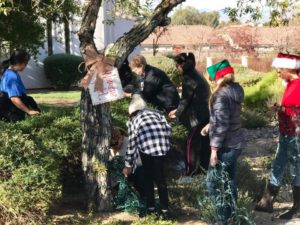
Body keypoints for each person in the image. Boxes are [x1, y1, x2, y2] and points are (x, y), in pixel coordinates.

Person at [255, 53, 300, 219]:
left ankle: (297, 207)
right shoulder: (290, 84)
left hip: (296, 136)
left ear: (289, 68)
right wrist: (281, 108)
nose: (277, 72)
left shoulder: (298, 84)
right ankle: (267, 201)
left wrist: (282, 110)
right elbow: (292, 107)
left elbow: (297, 111)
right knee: (278, 165)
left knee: (297, 169)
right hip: (286, 133)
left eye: (279, 68)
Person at [204, 60, 244, 225]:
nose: (211, 82)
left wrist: (214, 149)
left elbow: (222, 124)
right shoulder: (235, 89)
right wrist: (209, 125)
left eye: (212, 79)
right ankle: (232, 217)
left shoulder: (220, 95)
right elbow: (226, 117)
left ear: (218, 78)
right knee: (230, 182)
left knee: (213, 183)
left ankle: (223, 220)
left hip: (225, 146)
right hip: (236, 143)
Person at [123, 94, 172, 218]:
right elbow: (168, 129)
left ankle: (151, 209)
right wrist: (162, 142)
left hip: (146, 148)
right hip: (162, 147)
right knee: (160, 178)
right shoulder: (157, 114)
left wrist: (128, 164)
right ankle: (166, 210)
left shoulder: (133, 120)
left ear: (132, 111)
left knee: (148, 178)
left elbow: (132, 144)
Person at [168, 52, 211, 175]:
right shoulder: (196, 74)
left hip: (197, 118)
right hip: (205, 115)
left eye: (177, 66)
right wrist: (178, 110)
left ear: (181, 65)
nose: (177, 69)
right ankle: (203, 170)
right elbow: (191, 99)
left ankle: (190, 172)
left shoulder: (189, 78)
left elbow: (185, 100)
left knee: (190, 145)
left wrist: (176, 114)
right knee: (203, 145)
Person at [0, 49, 40, 122]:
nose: (26, 66)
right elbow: (14, 98)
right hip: (10, 110)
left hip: (5, 107)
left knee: (29, 99)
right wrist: (28, 111)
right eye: (26, 63)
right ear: (19, 62)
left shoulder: (7, 71)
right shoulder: (12, 76)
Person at [110, 127, 144, 198]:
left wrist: (127, 168)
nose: (115, 144)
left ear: (121, 137)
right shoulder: (108, 147)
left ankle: (144, 198)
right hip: (120, 173)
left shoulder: (129, 142)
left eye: (117, 141)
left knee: (140, 183)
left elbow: (137, 161)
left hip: (135, 168)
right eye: (113, 143)